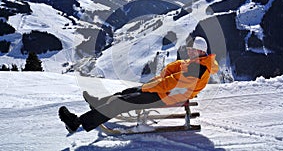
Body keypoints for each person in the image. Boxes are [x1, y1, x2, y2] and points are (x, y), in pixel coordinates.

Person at [59, 36, 219, 133]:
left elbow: (168, 84)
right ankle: (99, 104)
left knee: (122, 103)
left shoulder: (197, 68)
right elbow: (174, 69)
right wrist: (164, 74)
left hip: (168, 96)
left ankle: (77, 122)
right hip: (167, 92)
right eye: (189, 49)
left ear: (201, 52)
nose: (190, 52)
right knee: (127, 91)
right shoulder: (196, 63)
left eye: (193, 50)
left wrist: (147, 87)